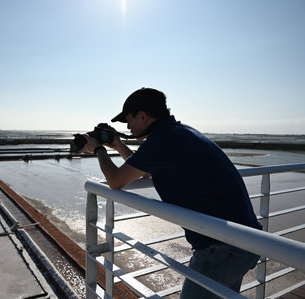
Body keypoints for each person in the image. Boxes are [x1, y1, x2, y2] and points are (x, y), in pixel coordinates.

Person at [81, 87, 262, 298]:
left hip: (221, 248)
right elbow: (146, 171)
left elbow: (115, 181)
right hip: (243, 239)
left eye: (128, 121)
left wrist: (98, 149)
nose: (127, 127)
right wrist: (118, 145)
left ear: (142, 116)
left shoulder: (163, 140)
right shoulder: (176, 133)